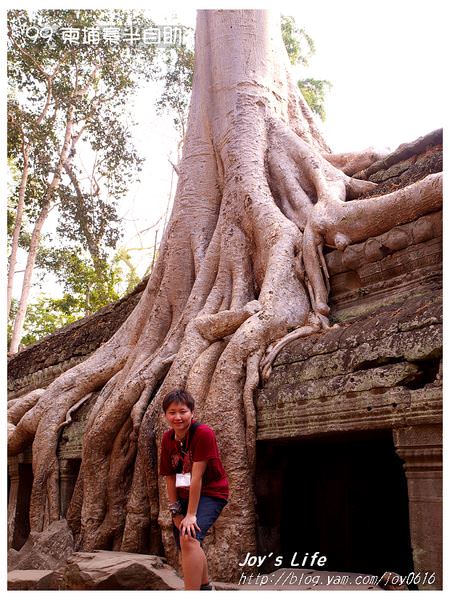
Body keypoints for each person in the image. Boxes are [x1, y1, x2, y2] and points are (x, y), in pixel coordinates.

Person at [159, 389, 229, 590]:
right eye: (172, 412)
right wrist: (175, 512)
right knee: (189, 542)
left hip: (211, 492)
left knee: (188, 536)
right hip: (183, 495)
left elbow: (197, 477)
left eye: (183, 411)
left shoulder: (203, 433)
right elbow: (170, 477)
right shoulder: (167, 439)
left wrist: (190, 515)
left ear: (192, 413)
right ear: (166, 415)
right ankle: (206, 588)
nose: (178, 417)